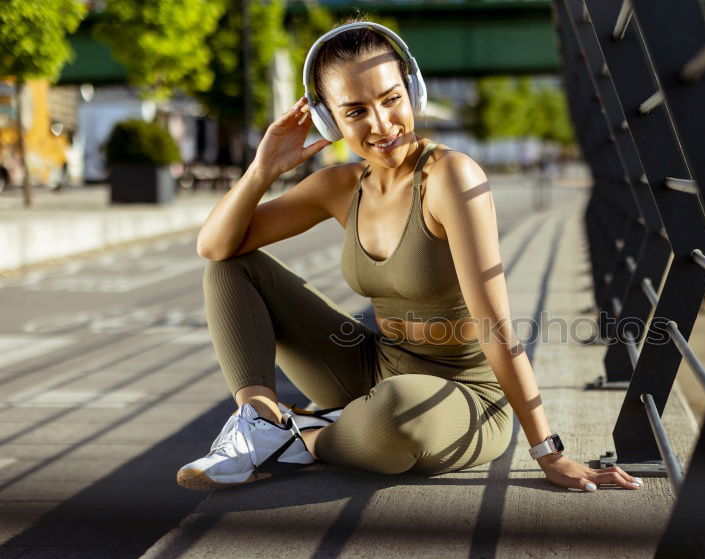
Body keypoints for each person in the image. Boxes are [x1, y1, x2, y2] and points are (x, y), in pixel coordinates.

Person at [176, 18, 644, 494]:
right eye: (355, 111)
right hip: (373, 367)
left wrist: (550, 452)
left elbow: (495, 325)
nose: (381, 125)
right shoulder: (338, 187)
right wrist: (263, 167)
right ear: (327, 120)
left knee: (394, 417)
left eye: (391, 99)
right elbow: (214, 247)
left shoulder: (451, 178)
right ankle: (261, 421)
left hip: (467, 397)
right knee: (232, 267)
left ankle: (304, 438)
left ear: (412, 90)